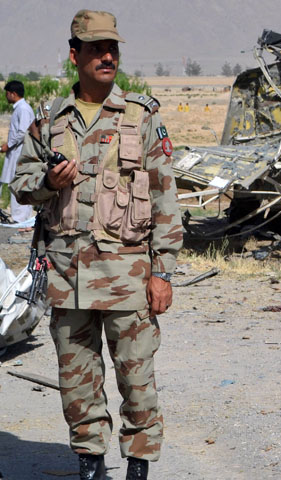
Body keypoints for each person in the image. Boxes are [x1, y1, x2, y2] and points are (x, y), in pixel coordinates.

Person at [11, 10, 183, 480]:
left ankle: (138, 467)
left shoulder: (142, 117)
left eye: (113, 49)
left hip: (129, 276)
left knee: (136, 377)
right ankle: (89, 463)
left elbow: (166, 199)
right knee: (77, 380)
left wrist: (163, 273)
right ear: (75, 55)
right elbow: (21, 186)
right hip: (68, 277)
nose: (107, 56)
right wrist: (47, 181)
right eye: (95, 49)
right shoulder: (48, 120)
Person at [2, 80, 35, 226]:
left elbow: (22, 132)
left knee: (18, 184)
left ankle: (20, 219)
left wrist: (8, 145)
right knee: (14, 183)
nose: (6, 97)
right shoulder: (21, 108)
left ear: (13, 94)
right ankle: (20, 218)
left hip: (19, 152)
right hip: (16, 152)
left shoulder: (23, 109)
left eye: (7, 94)